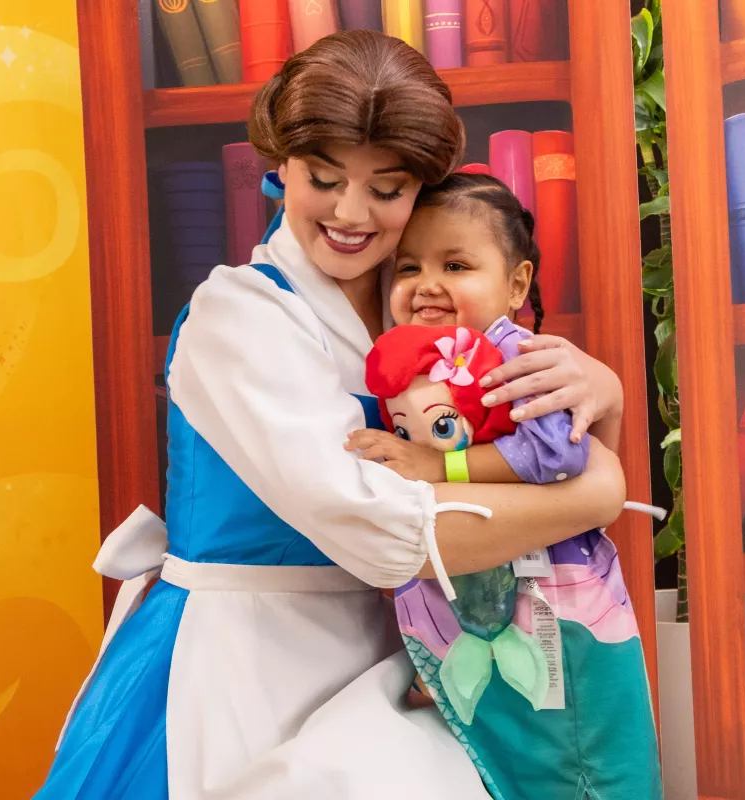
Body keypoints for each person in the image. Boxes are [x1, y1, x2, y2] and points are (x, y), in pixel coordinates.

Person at [35, 31, 629, 799]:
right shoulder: (236, 316)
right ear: (279, 165)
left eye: (387, 189)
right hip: (243, 669)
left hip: (404, 658)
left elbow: (557, 503)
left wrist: (599, 394)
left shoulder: (423, 310)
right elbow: (377, 528)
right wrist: (595, 488)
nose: (352, 214)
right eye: (324, 178)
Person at [354, 173, 662, 798]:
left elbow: (555, 453)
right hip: (472, 626)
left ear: (516, 283)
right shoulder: (416, 360)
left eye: (457, 263)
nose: (426, 284)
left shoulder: (522, 358)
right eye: (408, 266)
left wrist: (440, 468)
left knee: (578, 770)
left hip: (556, 619)